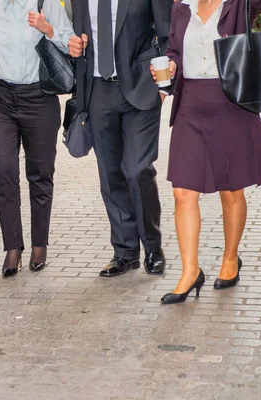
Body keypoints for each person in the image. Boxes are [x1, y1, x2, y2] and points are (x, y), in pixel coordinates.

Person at [152, 0, 261, 304]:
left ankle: (231, 259)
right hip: (191, 105)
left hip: (230, 104)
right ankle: (190, 272)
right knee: (182, 192)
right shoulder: (181, 6)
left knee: (231, 191)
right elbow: (174, 49)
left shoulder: (239, 4)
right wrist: (170, 64)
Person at [68, 0, 172, 278]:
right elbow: (74, 35)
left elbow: (168, 33)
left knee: (138, 170)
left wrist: (163, 85)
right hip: (97, 89)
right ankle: (125, 252)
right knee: (110, 174)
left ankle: (153, 247)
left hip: (141, 87)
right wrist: (73, 46)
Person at [0, 0, 74, 277]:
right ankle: (12, 248)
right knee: (4, 173)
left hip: (40, 99)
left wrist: (47, 29)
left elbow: (71, 45)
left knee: (40, 174)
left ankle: (39, 244)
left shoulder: (46, 4)